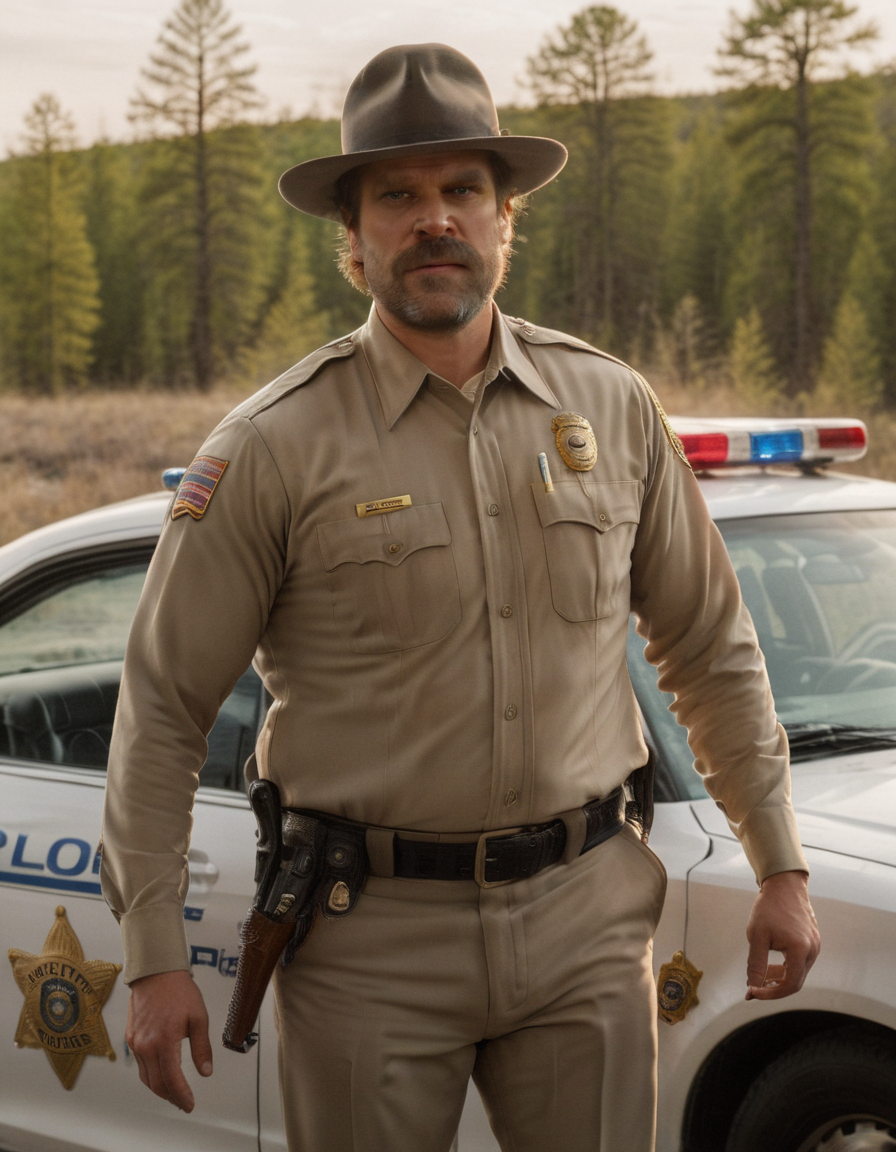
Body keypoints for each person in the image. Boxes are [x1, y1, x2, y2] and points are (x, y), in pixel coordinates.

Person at [101, 42, 820, 1152]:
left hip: (585, 925)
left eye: (461, 191)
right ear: (354, 237)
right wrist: (152, 957)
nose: (433, 219)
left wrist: (776, 861)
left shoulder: (610, 406)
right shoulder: (272, 448)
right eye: (396, 195)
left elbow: (707, 647)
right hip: (368, 943)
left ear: (501, 218)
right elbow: (160, 713)